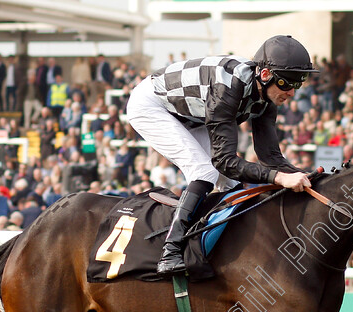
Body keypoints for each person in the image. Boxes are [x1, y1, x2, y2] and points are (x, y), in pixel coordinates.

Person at [125, 35, 316, 275]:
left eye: (298, 85)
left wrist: (302, 175)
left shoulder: (267, 94)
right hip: (152, 105)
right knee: (205, 171)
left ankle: (216, 251)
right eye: (287, 84)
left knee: (232, 184)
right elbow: (225, 161)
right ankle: (171, 252)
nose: (292, 93)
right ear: (266, 75)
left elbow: (270, 157)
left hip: (192, 114)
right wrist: (279, 179)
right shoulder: (227, 87)